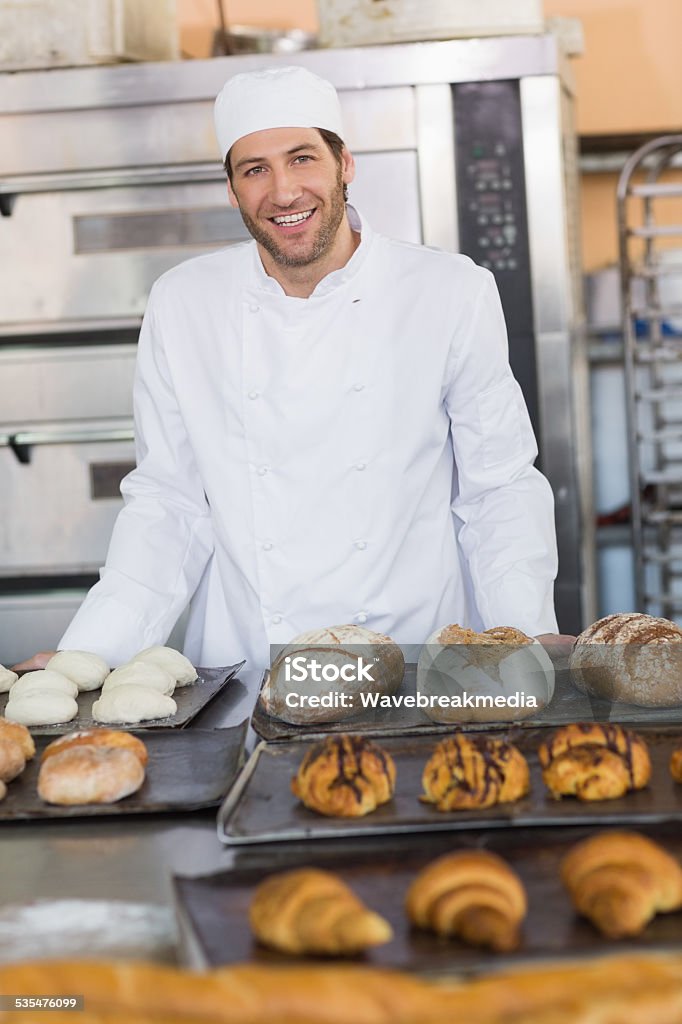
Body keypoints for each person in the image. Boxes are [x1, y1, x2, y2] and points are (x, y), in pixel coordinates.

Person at [15, 65, 568, 676]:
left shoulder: (450, 291)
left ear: (344, 164)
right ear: (231, 189)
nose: (282, 191)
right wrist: (88, 655)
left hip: (414, 662)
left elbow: (498, 488)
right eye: (255, 169)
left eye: (302, 158)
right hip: (251, 664)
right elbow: (168, 504)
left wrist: (524, 638)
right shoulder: (184, 303)